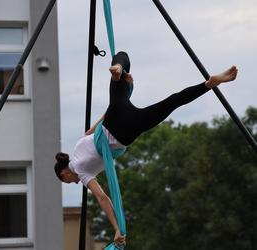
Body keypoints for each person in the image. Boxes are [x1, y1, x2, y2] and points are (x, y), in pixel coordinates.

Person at [54, 52, 238, 247]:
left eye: (67, 181)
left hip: (127, 130)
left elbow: (102, 198)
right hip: (115, 114)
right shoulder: (78, 144)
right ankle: (119, 70)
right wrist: (123, 90)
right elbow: (95, 128)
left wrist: (117, 227)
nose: (72, 183)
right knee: (121, 57)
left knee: (172, 102)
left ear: (64, 174)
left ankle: (209, 84)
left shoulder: (82, 172)